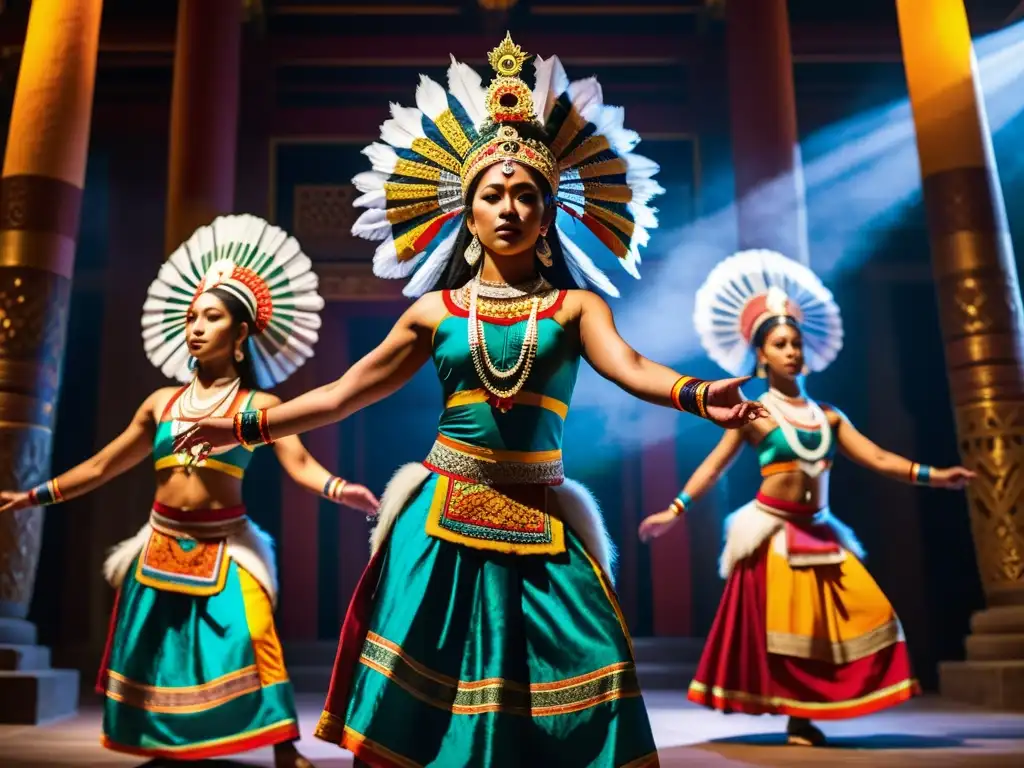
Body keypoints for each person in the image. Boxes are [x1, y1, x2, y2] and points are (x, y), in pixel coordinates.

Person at [173, 35, 765, 767]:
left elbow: (632, 367)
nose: (509, 207)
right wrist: (242, 423)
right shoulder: (435, 312)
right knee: (426, 709)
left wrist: (699, 394)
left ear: (549, 217)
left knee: (591, 672)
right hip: (441, 516)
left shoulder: (577, 308)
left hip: (544, 515)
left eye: (526, 195)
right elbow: (341, 394)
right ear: (467, 212)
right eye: (493, 194)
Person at [0, 214, 379, 767]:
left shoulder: (260, 408)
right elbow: (106, 464)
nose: (196, 327)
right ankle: (161, 743)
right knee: (157, 650)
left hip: (229, 545)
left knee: (256, 638)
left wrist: (340, 489)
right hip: (160, 541)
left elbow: (301, 466)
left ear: (242, 334)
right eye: (192, 316)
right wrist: (34, 496)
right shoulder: (160, 404)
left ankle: (283, 747)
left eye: (212, 317)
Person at [638, 249, 974, 747]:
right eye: (780, 343)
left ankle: (822, 706)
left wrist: (934, 476)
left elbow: (878, 458)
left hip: (820, 529)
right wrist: (674, 510)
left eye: (795, 342)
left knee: (868, 614)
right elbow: (713, 466)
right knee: (787, 635)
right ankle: (798, 718)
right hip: (772, 534)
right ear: (761, 355)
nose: (792, 351)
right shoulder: (753, 414)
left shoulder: (828, 416)